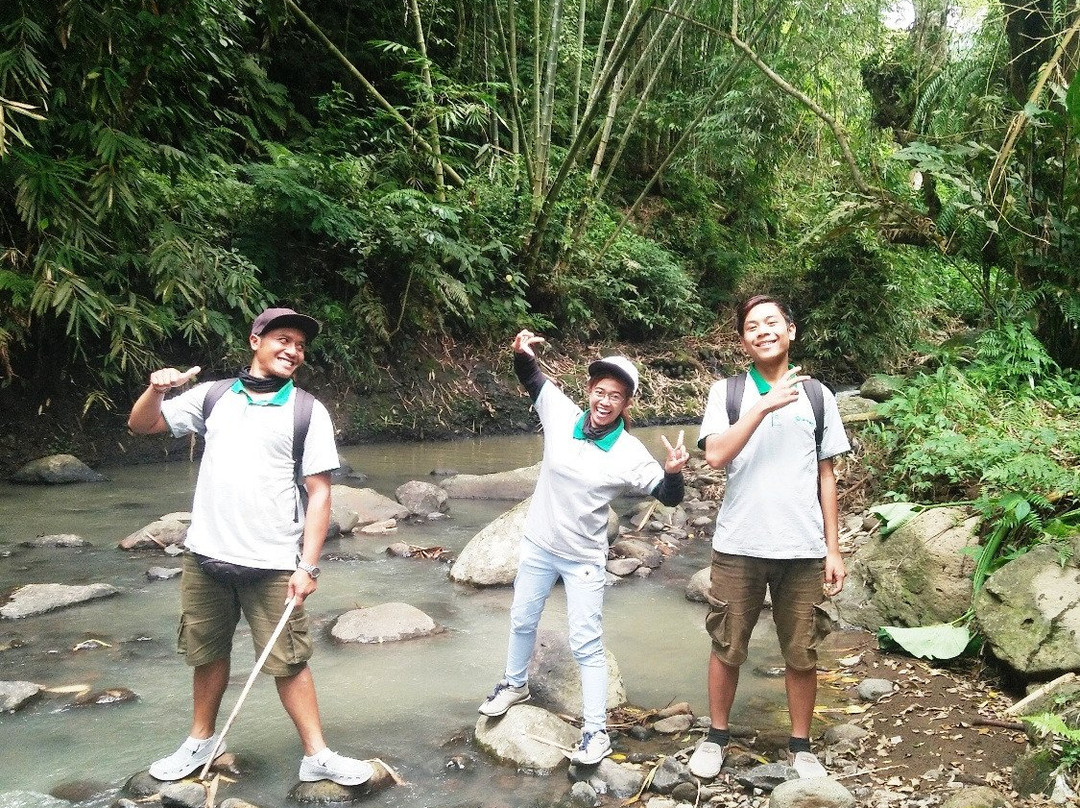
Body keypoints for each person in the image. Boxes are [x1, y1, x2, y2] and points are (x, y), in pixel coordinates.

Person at [128, 306, 372, 787]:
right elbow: (143, 426)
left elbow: (320, 493)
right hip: (206, 557)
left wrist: (309, 566)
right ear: (255, 340)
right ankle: (199, 743)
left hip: (273, 563)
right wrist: (157, 389)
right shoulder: (212, 397)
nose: (292, 351)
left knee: (290, 662)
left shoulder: (307, 411)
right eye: (283, 339)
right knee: (206, 653)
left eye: (300, 345)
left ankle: (317, 755)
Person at [478, 328, 690, 765]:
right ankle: (514, 684)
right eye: (599, 390)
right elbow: (532, 378)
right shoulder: (561, 413)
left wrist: (673, 472)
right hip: (539, 543)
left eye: (615, 395)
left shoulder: (629, 453)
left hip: (584, 559)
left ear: (626, 404)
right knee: (521, 619)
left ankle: (595, 733)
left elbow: (668, 497)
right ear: (589, 391)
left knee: (586, 644)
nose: (604, 401)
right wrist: (520, 350)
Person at [688, 295, 850, 781]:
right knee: (727, 645)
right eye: (752, 326)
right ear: (743, 340)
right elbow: (715, 456)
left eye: (771, 322)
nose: (762, 331)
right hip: (738, 544)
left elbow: (827, 476)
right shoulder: (728, 393)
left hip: (801, 549)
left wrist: (833, 548)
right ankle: (716, 736)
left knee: (802, 651)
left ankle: (800, 747)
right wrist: (761, 407)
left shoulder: (819, 395)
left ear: (791, 331)